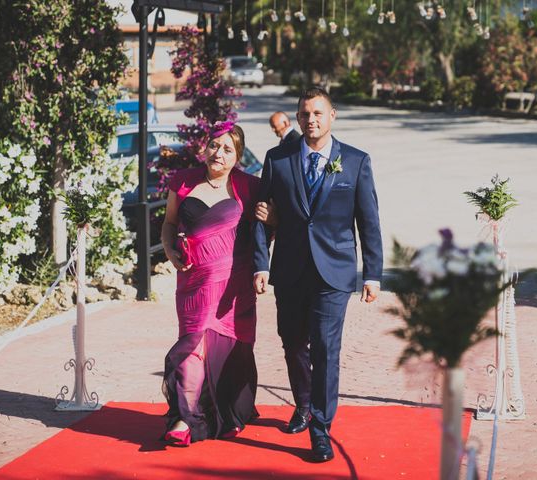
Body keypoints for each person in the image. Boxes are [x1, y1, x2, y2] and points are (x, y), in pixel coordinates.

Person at [253, 87, 383, 462]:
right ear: (297, 119)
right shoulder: (277, 159)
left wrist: (372, 273)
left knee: (326, 350)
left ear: (332, 116)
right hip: (290, 268)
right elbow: (262, 215)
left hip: (334, 272)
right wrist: (261, 263)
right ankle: (304, 403)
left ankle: (320, 429)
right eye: (305, 114)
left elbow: (368, 220)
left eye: (318, 113)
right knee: (292, 342)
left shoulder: (356, 162)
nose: (311, 120)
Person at [160, 122, 261, 447]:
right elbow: (169, 223)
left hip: (232, 287)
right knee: (193, 346)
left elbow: (266, 230)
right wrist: (170, 253)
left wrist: (272, 222)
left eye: (227, 149)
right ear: (205, 147)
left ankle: (223, 413)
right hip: (193, 284)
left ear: (238, 156)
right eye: (214, 146)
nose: (218, 153)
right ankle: (186, 416)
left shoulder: (249, 187)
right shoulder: (183, 181)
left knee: (228, 350)